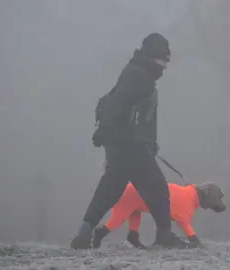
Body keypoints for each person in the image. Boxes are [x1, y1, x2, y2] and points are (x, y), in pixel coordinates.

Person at [70, 33, 187, 249]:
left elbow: (144, 117)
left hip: (125, 144)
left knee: (110, 189)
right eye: (162, 61)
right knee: (157, 188)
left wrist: (151, 143)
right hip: (129, 144)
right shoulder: (138, 75)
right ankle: (164, 237)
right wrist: (104, 130)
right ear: (152, 57)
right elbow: (119, 101)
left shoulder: (141, 74)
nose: (164, 68)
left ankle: (83, 236)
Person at [91, 181, 226, 249]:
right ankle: (100, 233)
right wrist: (193, 239)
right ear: (209, 196)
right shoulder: (187, 199)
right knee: (118, 219)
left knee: (135, 211)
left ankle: (133, 236)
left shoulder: (188, 195)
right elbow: (182, 220)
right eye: (217, 199)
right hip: (131, 194)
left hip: (135, 194)